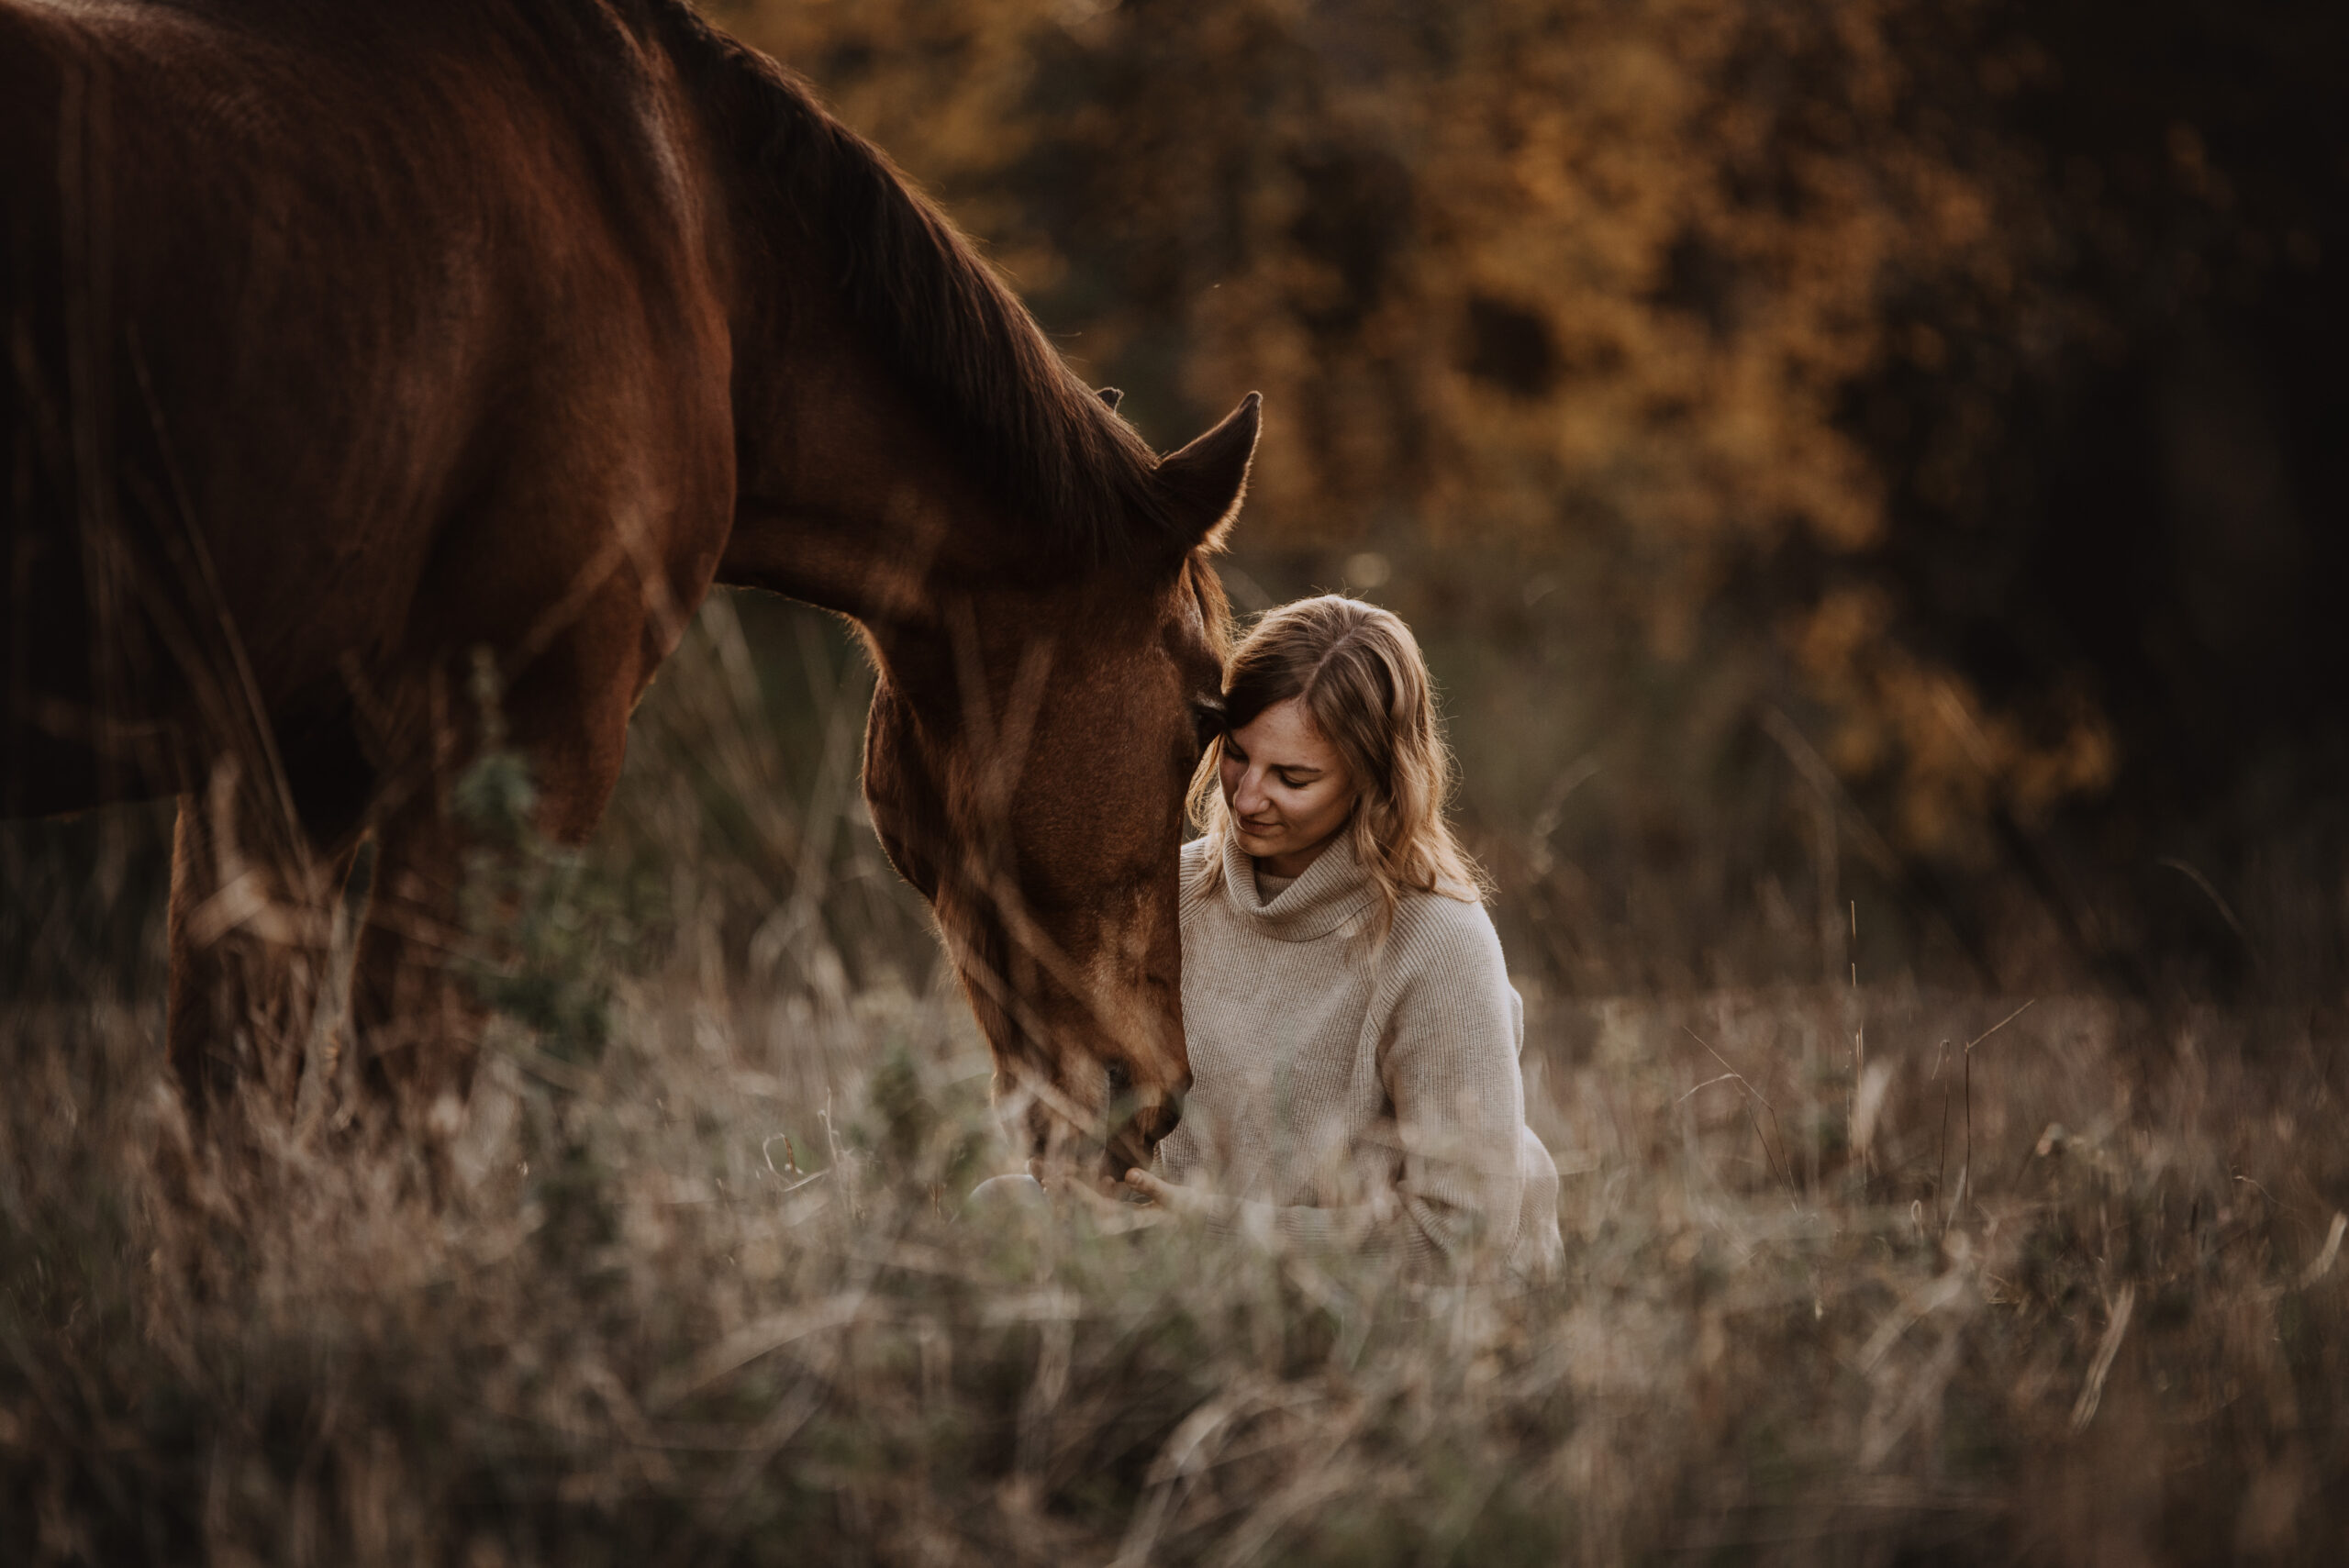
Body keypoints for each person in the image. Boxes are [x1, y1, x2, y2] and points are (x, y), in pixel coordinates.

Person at [1121, 595, 1563, 1277]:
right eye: (1237, 756)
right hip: (1162, 1285)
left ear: (1374, 779)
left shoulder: (1439, 942)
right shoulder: (1164, 892)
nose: (1244, 798)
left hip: (1363, 1319)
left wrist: (1212, 1231)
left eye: (1293, 777)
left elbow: (1462, 1230)